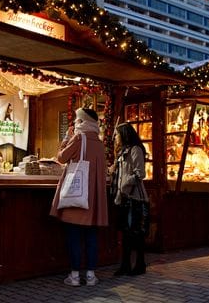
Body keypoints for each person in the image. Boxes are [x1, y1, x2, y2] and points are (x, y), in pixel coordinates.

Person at [50, 108, 109, 286]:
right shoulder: (99, 142)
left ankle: (75, 276)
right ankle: (91, 275)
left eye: (77, 120)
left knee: (74, 236)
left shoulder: (78, 138)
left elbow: (61, 158)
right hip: (93, 198)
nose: (75, 123)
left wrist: (66, 139)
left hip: (77, 194)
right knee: (91, 236)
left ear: (82, 122)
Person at [111, 123, 150, 276]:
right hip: (123, 198)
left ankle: (140, 264)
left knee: (136, 233)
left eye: (118, 134)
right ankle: (125, 265)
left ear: (125, 135)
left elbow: (140, 173)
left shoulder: (136, 150)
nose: (116, 137)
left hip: (134, 198)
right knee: (126, 233)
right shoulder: (122, 152)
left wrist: (125, 184)